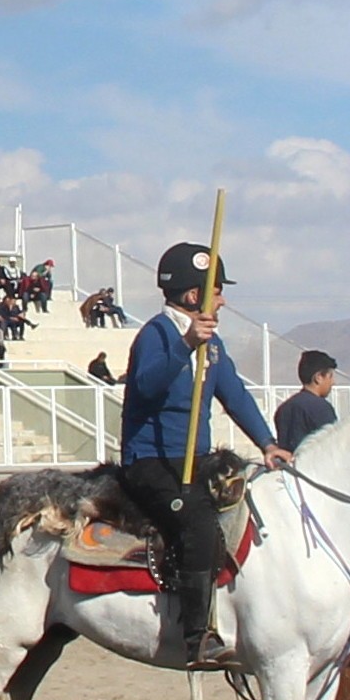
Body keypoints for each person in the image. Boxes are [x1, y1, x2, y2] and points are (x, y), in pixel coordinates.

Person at [119, 240, 294, 664]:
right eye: (216, 290)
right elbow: (144, 386)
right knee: (198, 520)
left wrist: (268, 444)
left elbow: (234, 394)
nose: (223, 299)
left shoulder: (214, 345)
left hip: (196, 461)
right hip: (152, 463)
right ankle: (197, 636)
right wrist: (185, 345)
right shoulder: (156, 335)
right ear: (194, 296)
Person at [275, 350, 342, 451]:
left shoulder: (284, 408)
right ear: (318, 377)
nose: (333, 382)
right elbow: (334, 446)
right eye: (330, 376)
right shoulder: (321, 408)